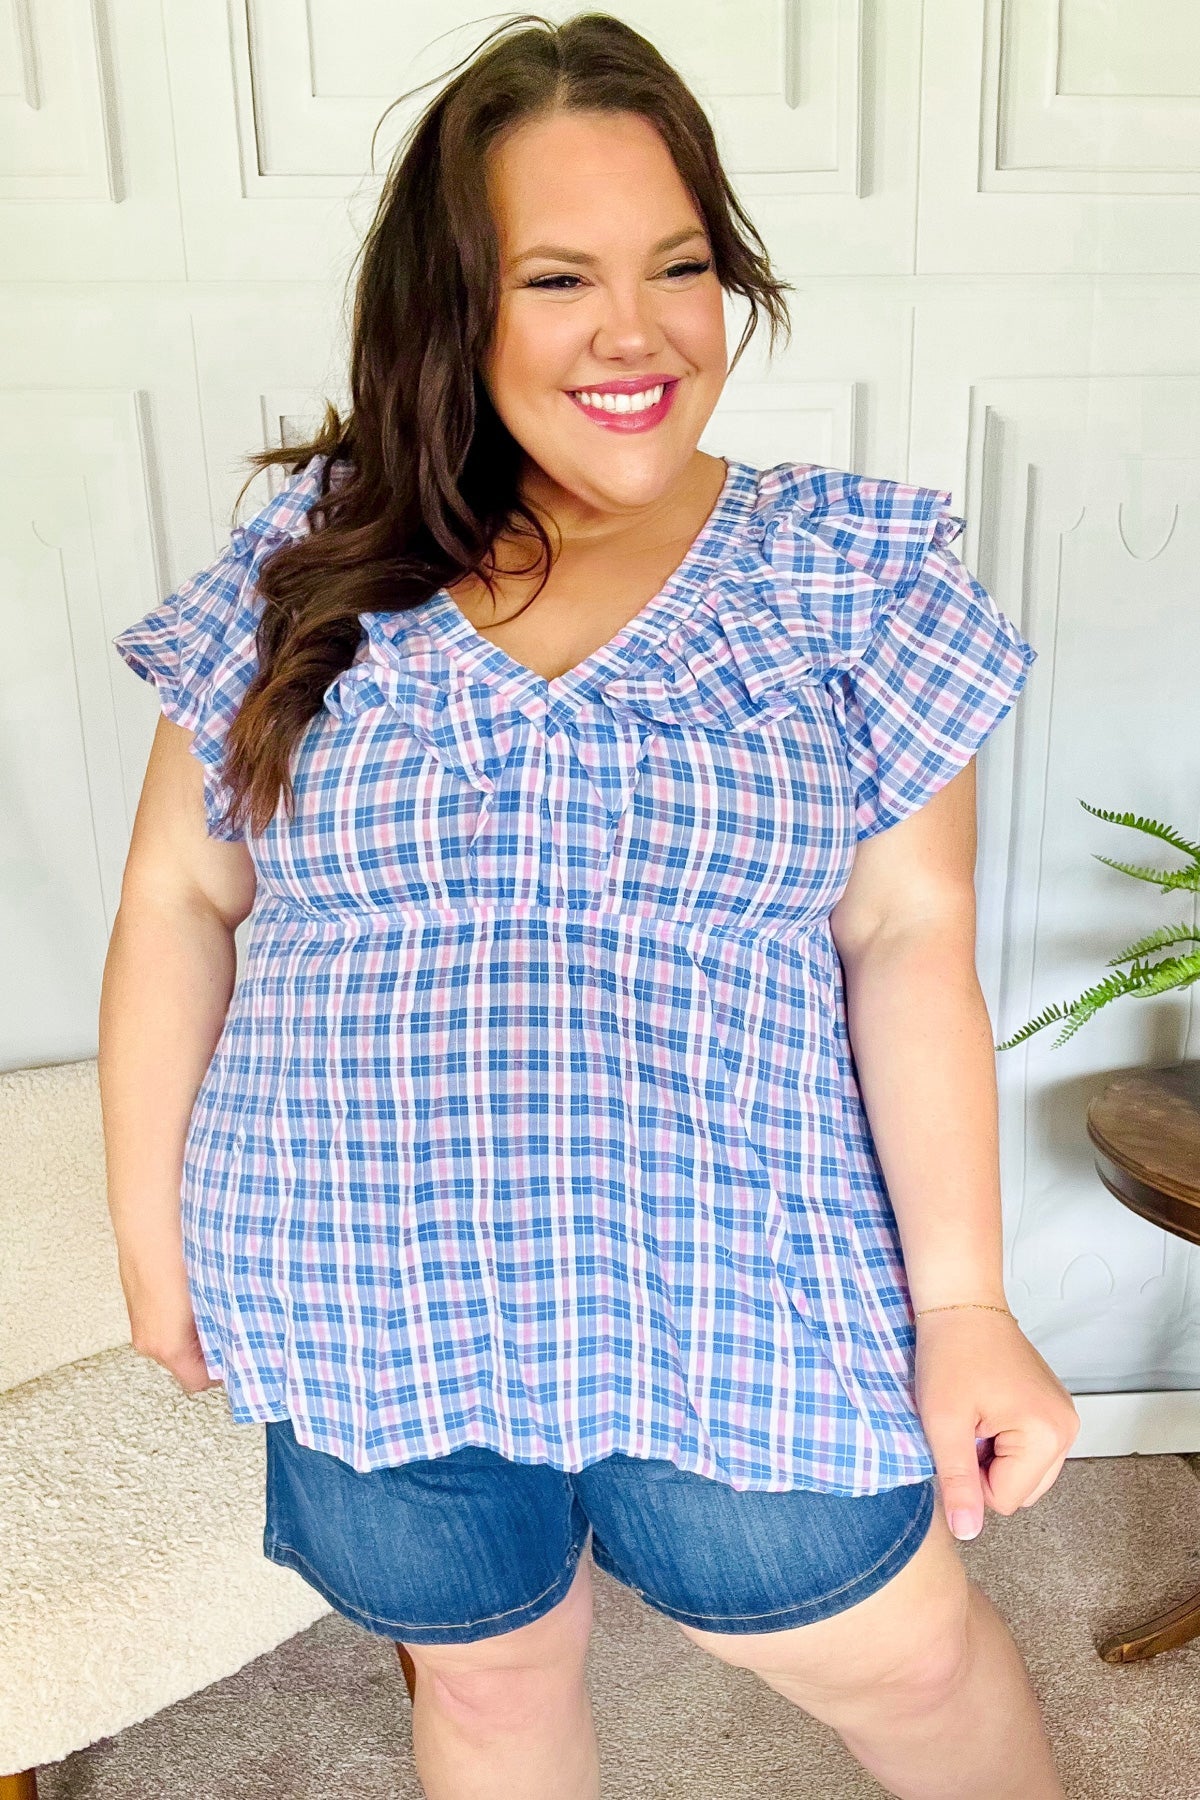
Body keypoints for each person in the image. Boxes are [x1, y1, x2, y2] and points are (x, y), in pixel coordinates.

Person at [99, 13, 1079, 1799]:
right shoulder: (309, 562)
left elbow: (909, 939)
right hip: (353, 1282)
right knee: (485, 1691)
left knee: (916, 1667)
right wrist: (152, 1243)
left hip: (734, 1277)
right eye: (558, 278)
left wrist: (962, 1307)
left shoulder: (846, 571)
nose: (638, 334)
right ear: (453, 305)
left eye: (680, 267)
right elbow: (179, 893)